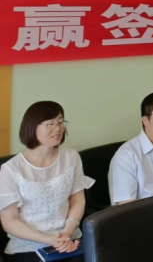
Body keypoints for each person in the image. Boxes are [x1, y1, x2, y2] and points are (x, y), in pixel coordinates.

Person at [0, 101, 94, 261]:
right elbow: (9, 221)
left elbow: (77, 200)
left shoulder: (71, 157)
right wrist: (49, 240)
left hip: (68, 237)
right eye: (50, 124)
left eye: (60, 122)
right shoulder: (11, 169)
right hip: (29, 244)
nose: (57, 129)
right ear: (32, 127)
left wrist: (68, 231)